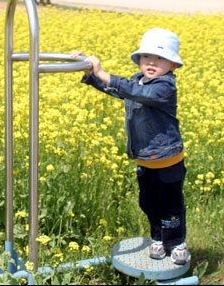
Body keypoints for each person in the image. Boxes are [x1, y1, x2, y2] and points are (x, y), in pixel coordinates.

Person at [72, 28, 190, 265]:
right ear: (139, 60)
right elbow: (118, 89)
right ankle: (158, 239)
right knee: (148, 203)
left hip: (167, 160)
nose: (151, 63)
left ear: (173, 65)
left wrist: (104, 72)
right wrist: (91, 73)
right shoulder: (138, 81)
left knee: (171, 206)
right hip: (144, 159)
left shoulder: (165, 87)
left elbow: (136, 92)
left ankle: (177, 244)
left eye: (159, 58)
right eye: (146, 57)